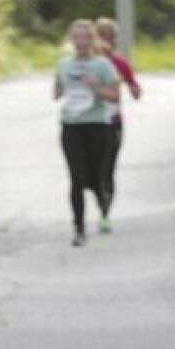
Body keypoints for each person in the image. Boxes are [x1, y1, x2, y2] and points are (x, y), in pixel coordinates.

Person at [53, 19, 121, 246]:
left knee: (95, 178)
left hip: (96, 126)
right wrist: (60, 90)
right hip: (71, 126)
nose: (81, 42)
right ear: (71, 41)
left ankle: (102, 199)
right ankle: (79, 228)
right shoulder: (63, 64)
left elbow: (115, 96)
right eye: (77, 38)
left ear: (93, 40)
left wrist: (96, 87)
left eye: (86, 38)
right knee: (76, 178)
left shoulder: (102, 65)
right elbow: (57, 89)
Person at [95, 17, 142, 232]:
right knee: (91, 172)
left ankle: (104, 213)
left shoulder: (119, 63)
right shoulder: (86, 63)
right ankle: (100, 202)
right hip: (87, 124)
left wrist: (132, 87)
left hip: (113, 122)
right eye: (106, 37)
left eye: (113, 37)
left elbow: (135, 90)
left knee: (107, 170)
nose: (110, 42)